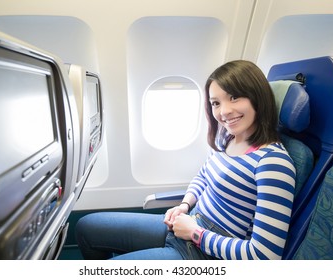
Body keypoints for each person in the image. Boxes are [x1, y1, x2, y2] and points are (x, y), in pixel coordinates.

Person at [75, 60, 296, 260]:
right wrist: (184, 205)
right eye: (216, 103)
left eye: (234, 97)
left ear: (257, 96)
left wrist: (196, 233)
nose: (224, 111)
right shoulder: (228, 137)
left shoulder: (273, 164)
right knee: (86, 228)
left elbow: (265, 256)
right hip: (189, 222)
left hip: (206, 253)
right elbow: (203, 177)